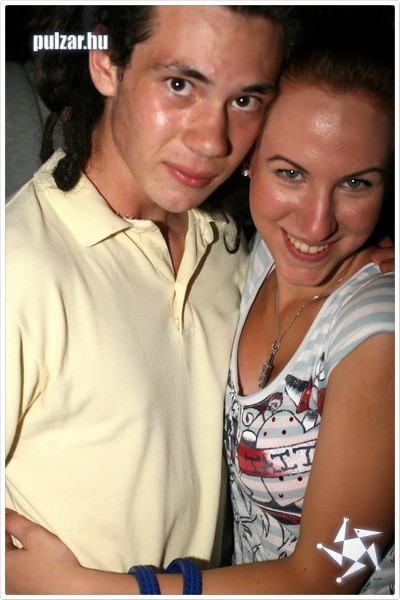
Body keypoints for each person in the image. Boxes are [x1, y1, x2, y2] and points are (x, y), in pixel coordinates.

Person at [5, 9, 395, 596]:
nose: (213, 140)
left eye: (245, 100)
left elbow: (337, 569)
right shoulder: (20, 267)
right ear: (105, 62)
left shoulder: (232, 240)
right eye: (180, 84)